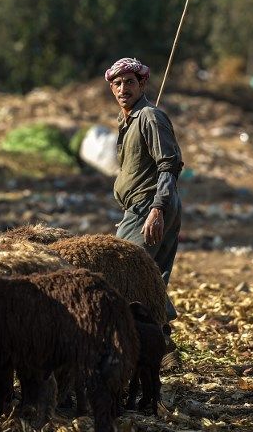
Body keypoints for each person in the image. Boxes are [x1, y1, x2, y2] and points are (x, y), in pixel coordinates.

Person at [106, 57, 183, 321]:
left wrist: (156, 210)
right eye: (117, 83)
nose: (122, 89)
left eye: (129, 82)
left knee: (123, 272)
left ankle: (152, 336)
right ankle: (163, 346)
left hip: (149, 206)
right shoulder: (127, 120)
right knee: (150, 279)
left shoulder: (149, 116)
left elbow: (169, 165)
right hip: (143, 207)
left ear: (142, 84)